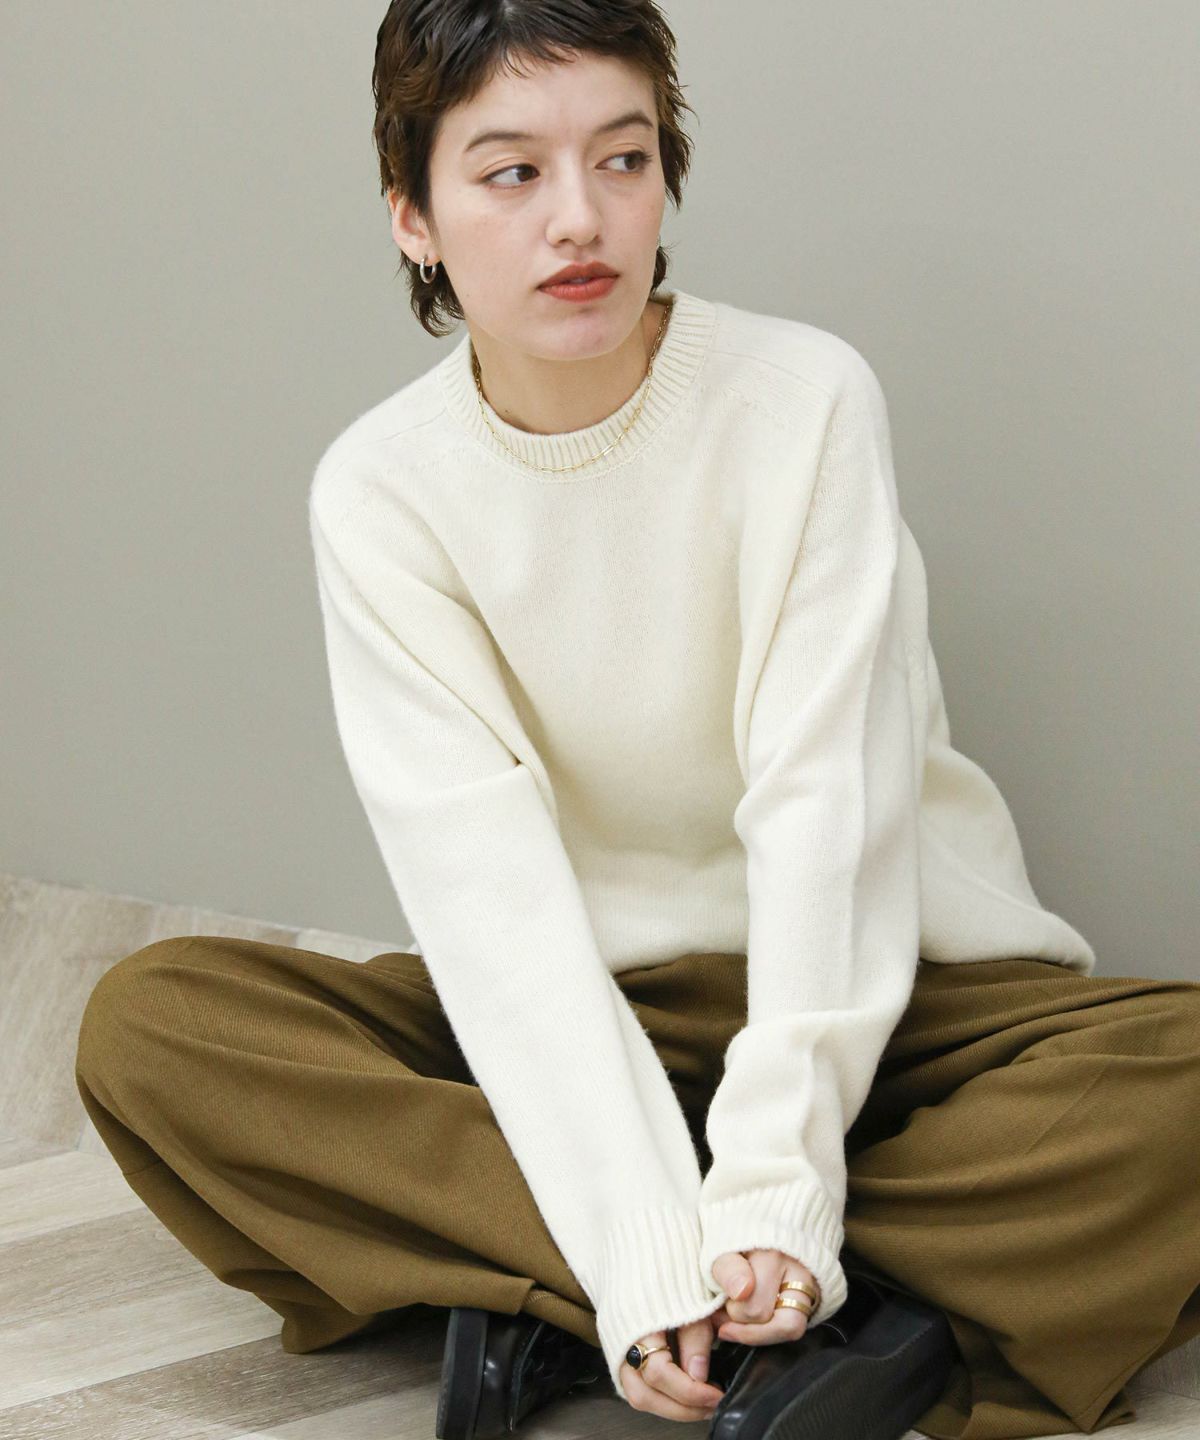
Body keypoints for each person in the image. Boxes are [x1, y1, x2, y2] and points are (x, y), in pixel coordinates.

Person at [75, 3, 1200, 1437]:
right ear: (412, 214)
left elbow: (827, 817)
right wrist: (635, 1237)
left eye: (622, 158)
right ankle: (774, 1300)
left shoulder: (801, 401)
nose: (580, 218)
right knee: (154, 1028)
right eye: (511, 173)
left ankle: (595, 1279)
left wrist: (780, 1176)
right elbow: (489, 903)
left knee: (1179, 1076)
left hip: (879, 997)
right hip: (596, 1011)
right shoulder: (381, 489)